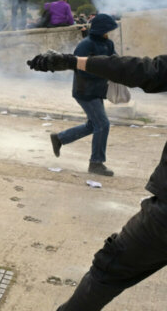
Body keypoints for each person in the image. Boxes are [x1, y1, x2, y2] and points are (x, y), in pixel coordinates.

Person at [26, 48, 167, 311]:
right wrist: (73, 63)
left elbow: (140, 70)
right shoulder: (92, 43)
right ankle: (86, 155)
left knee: (108, 270)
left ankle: (81, 151)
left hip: (163, 218)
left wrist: (70, 62)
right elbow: (132, 68)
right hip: (88, 95)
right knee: (99, 124)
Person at [47, 14, 118, 176]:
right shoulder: (85, 45)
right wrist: (102, 72)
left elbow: (115, 62)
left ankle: (59, 139)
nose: (109, 33)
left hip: (98, 91)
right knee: (103, 124)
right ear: (101, 29)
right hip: (85, 91)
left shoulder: (108, 44)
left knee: (93, 125)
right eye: (108, 30)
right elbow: (79, 68)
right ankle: (96, 163)